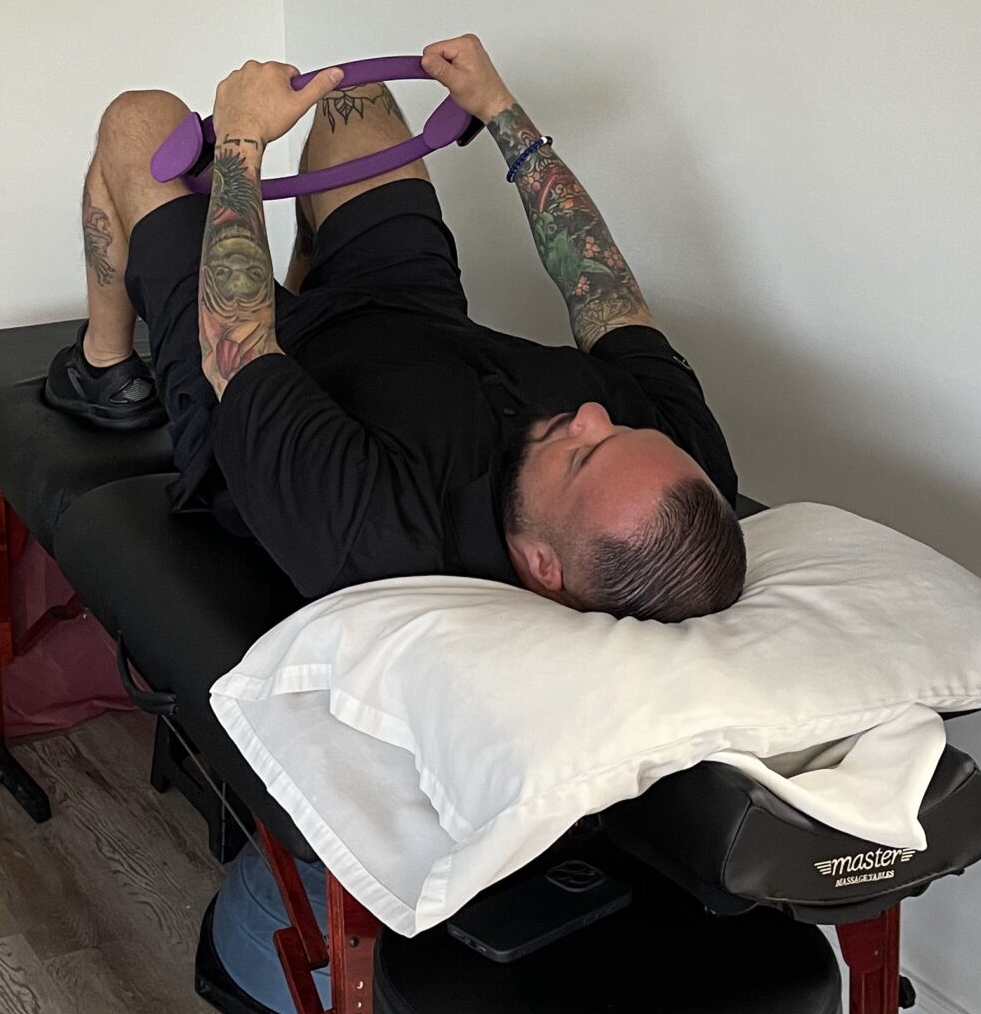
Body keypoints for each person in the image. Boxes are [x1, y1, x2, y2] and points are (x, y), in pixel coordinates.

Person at [45, 34, 745, 622]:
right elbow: (607, 297)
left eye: (583, 454)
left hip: (248, 372)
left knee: (143, 122)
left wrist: (239, 142)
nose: (593, 414)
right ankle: (308, 271)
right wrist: (502, 113)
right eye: (624, 429)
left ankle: (103, 370)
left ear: (541, 566)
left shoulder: (376, 530)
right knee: (352, 98)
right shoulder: (686, 482)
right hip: (413, 317)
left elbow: (243, 347)